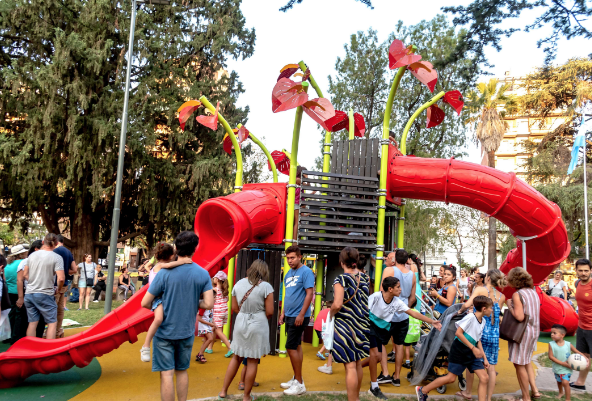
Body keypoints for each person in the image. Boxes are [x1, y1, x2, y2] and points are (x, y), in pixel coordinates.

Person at [141, 231, 214, 401]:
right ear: (194, 249)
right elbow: (209, 304)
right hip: (186, 331)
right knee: (182, 371)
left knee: (166, 374)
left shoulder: (164, 273)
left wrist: (158, 305)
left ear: (176, 248)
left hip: (165, 332)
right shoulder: (203, 273)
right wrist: (192, 301)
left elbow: (145, 302)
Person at [368, 276, 441, 399]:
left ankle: (358, 368)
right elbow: (364, 310)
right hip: (370, 326)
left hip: (382, 330)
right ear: (390, 289)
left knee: (376, 356)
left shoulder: (397, 302)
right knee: (375, 355)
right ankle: (374, 386)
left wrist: (432, 321)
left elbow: (413, 313)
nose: (401, 290)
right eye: (398, 287)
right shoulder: (375, 297)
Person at [416, 295, 493, 401]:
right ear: (484, 309)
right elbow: (458, 333)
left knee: (484, 378)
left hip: (471, 352)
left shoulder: (483, 321)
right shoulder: (470, 318)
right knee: (451, 378)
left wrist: (484, 358)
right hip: (460, 350)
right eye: (491, 308)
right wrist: (473, 348)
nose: (492, 310)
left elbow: (477, 340)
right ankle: (423, 390)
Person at [218, 259, 274, 401]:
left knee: (236, 357)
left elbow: (235, 308)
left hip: (240, 322)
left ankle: (223, 391)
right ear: (264, 271)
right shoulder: (266, 286)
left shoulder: (238, 284)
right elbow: (270, 311)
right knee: (253, 361)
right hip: (258, 322)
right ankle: (246, 396)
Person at [458, 269, 506, 401]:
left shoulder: (480, 290)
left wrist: (459, 311)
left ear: (488, 278)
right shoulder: (501, 296)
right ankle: (488, 398)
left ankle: (468, 392)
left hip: (480, 331)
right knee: (491, 366)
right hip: (494, 334)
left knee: (472, 362)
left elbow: (468, 304)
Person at [330, 247, 369, 401]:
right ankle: (356, 398)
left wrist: (330, 314)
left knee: (350, 366)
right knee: (357, 362)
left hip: (345, 325)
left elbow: (337, 304)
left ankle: (352, 399)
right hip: (362, 324)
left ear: (341, 262)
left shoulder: (341, 279)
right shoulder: (364, 278)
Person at [140, 242, 187, 362]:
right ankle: (145, 346)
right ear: (171, 256)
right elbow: (171, 266)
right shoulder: (160, 266)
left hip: (165, 297)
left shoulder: (160, 266)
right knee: (158, 319)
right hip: (158, 298)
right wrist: (184, 261)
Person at [279, 245, 314, 395]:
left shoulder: (306, 272)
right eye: (288, 258)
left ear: (300, 257)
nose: (290, 261)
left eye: (292, 258)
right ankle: (296, 378)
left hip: (299, 316)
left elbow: (309, 294)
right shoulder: (288, 273)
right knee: (296, 346)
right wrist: (283, 313)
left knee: (290, 347)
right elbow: (288, 295)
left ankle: (299, 383)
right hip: (290, 315)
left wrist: (301, 314)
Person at [380, 249, 416, 386]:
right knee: (399, 345)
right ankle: (397, 377)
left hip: (388, 314)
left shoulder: (389, 270)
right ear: (407, 260)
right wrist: (404, 308)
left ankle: (385, 373)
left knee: (381, 343)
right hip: (403, 314)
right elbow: (412, 298)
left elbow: (381, 291)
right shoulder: (412, 275)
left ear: (395, 259)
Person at [506, 267, 541, 401]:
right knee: (526, 361)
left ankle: (526, 397)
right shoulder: (533, 292)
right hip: (533, 331)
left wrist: (509, 305)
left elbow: (519, 317)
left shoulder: (517, 295)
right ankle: (533, 391)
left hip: (522, 334)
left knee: (519, 364)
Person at [23, 233, 65, 340]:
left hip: (29, 293)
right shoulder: (57, 257)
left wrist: (34, 281)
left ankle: (31, 347)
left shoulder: (32, 255)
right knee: (52, 322)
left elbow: (25, 274)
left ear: (43, 242)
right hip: (45, 293)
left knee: (32, 322)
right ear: (56, 244)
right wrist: (58, 289)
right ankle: (49, 349)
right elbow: (61, 278)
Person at [549, 324, 587, 401]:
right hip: (557, 367)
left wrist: (585, 357)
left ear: (562, 335)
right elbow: (551, 357)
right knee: (559, 381)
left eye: (554, 333)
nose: (552, 334)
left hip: (567, 368)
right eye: (551, 333)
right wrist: (563, 363)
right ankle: (561, 392)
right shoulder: (551, 344)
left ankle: (568, 399)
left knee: (565, 382)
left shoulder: (568, 344)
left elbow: (576, 351)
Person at [571, 259, 592, 391]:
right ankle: (580, 382)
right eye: (581, 270)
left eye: (586, 270)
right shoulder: (577, 283)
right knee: (584, 357)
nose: (583, 273)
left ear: (590, 270)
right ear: (576, 271)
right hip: (582, 326)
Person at [53, 235, 77, 336]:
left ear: (55, 242)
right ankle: (58, 330)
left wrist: (60, 272)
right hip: (65, 283)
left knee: (52, 308)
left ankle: (52, 331)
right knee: (60, 309)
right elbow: (75, 269)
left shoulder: (55, 251)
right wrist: (66, 272)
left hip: (56, 284)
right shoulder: (68, 252)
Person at [4, 244, 28, 344]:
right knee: (20, 315)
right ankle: (17, 337)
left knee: (11, 314)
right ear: (21, 254)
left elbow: (5, 279)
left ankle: (9, 336)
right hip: (19, 292)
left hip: (9, 292)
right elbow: (21, 279)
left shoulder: (7, 265)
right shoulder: (22, 263)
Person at [211, 271, 234, 357]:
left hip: (217, 312)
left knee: (218, 331)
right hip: (224, 312)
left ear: (217, 280)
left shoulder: (215, 290)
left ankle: (230, 347)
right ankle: (210, 347)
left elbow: (211, 300)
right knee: (213, 328)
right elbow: (226, 300)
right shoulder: (225, 290)